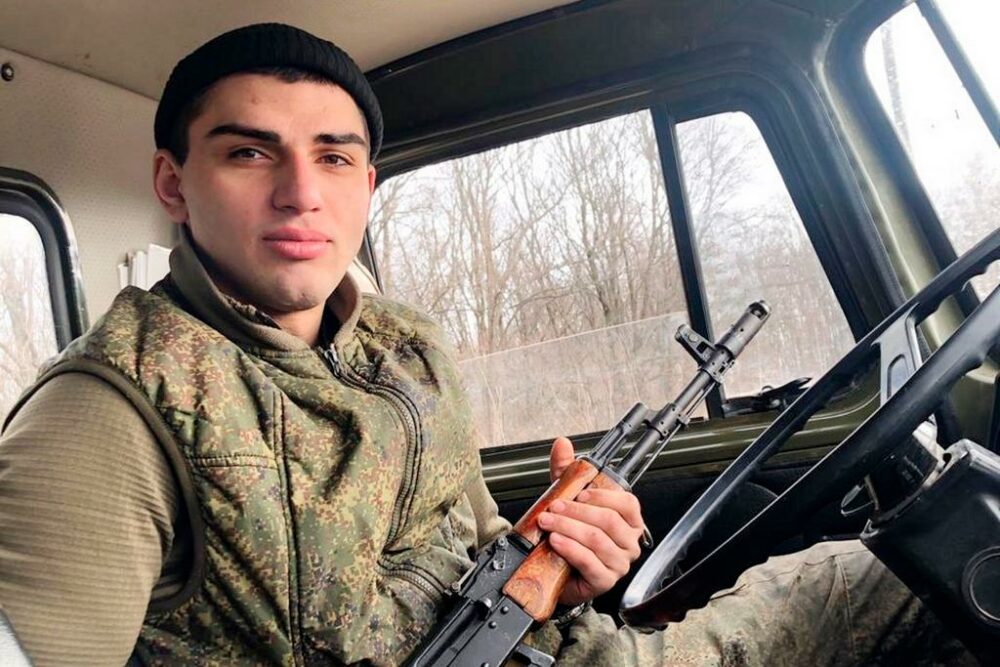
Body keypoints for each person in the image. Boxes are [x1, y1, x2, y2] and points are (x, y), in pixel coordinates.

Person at [0, 23, 974, 667]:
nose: (300, 192)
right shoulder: (106, 414)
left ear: (366, 186)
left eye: (333, 156)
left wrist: (569, 567)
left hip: (568, 649)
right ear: (173, 183)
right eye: (250, 152)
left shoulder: (404, 346)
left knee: (902, 563)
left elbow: (473, 548)